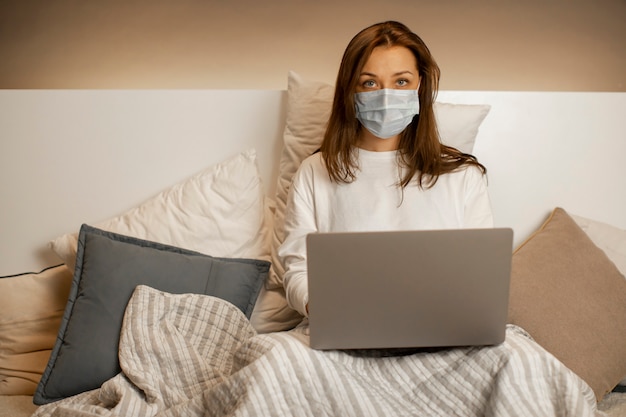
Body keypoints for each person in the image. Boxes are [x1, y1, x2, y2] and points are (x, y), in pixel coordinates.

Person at [279, 21, 493, 318]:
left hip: (439, 328)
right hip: (345, 328)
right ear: (350, 90)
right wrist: (325, 309)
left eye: (401, 82)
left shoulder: (464, 176)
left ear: (421, 85)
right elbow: (297, 270)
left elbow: (480, 276)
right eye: (369, 82)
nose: (385, 95)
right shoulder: (314, 172)